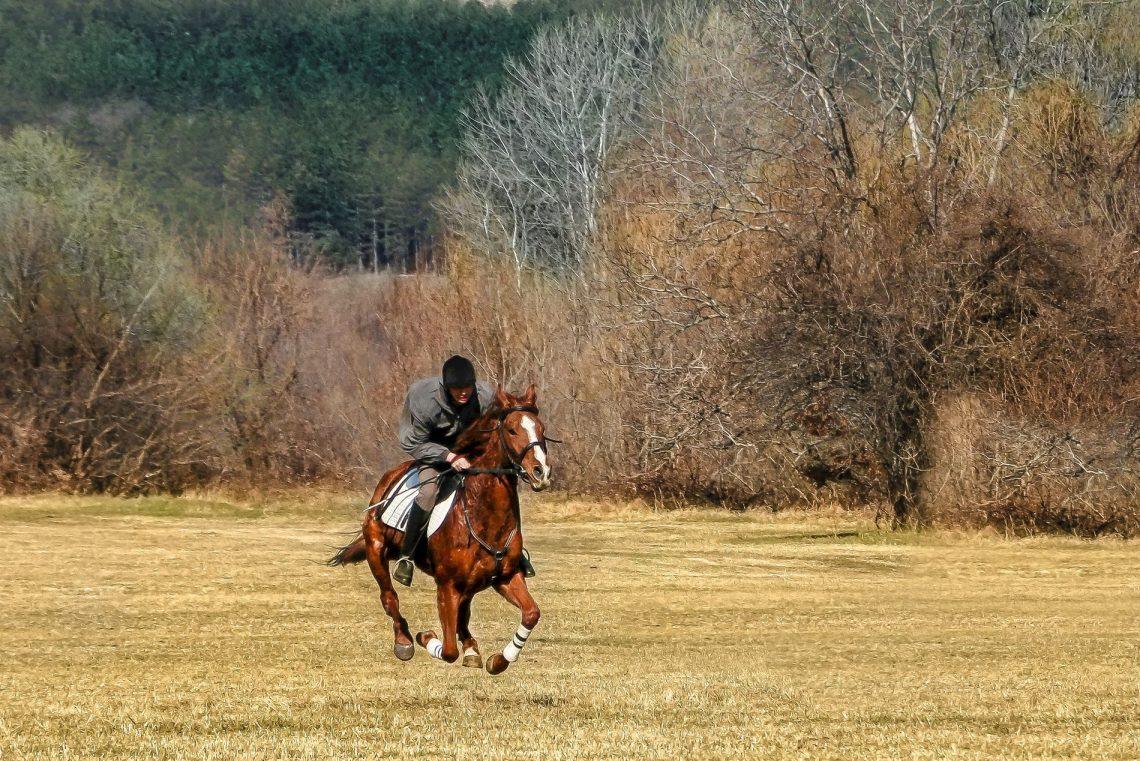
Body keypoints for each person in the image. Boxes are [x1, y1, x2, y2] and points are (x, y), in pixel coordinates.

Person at [392, 355, 535, 586]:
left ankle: (516, 552)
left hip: (470, 454)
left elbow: (501, 427)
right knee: (428, 493)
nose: (463, 393)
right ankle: (406, 556)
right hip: (434, 455)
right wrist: (449, 457)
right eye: (457, 389)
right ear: (446, 387)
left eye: (467, 388)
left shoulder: (485, 395)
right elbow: (412, 443)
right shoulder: (422, 398)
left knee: (503, 488)